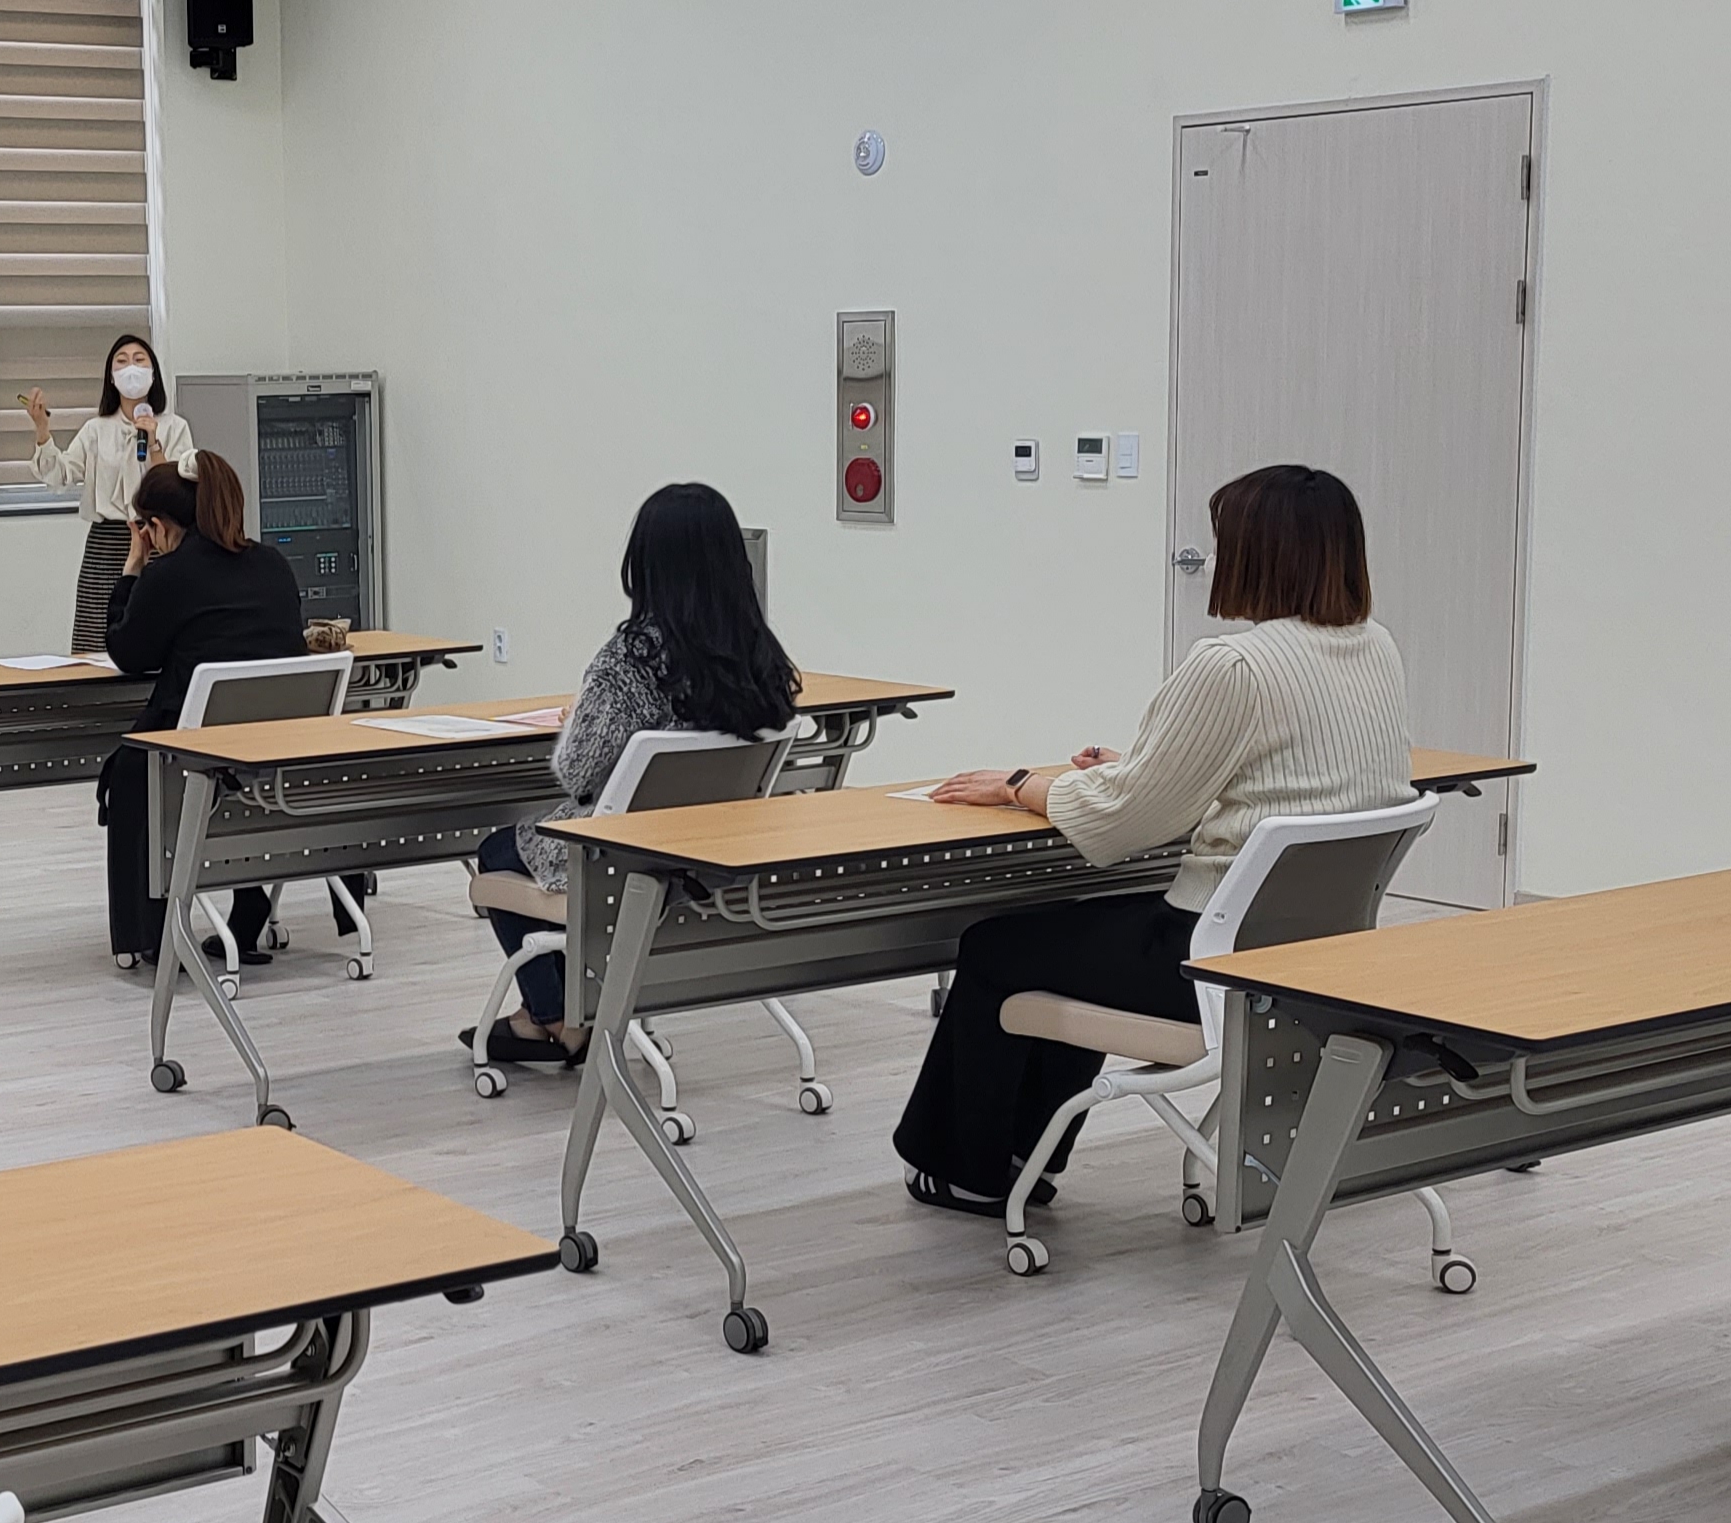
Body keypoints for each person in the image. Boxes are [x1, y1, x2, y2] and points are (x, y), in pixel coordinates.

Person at [892, 463, 1416, 1213]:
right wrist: (1148, 769)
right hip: (1314, 962)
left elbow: (1123, 823)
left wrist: (1017, 785)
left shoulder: (1233, 664)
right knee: (1073, 938)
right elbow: (1287, 780)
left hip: (1208, 962)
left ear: (1258, 553)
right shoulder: (1377, 649)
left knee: (994, 946)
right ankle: (1028, 1158)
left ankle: (968, 1171)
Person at [468, 481, 799, 1066]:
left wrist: (580, 721)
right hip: (711, 861)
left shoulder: (631, 658)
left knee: (498, 851)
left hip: (623, 856)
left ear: (644, 564)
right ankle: (552, 1014)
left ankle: (557, 1017)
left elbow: (578, 773)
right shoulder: (762, 656)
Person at [99, 453, 304, 965]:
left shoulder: (170, 575)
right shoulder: (273, 565)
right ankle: (248, 911)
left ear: (159, 526)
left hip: (193, 752)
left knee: (132, 772)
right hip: (273, 753)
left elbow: (128, 651)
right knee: (214, 777)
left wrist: (132, 569)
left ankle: (147, 936)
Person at [25, 335, 197, 654]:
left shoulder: (175, 427)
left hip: (160, 538)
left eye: (139, 360)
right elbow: (59, 475)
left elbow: (177, 488)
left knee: (159, 632)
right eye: (122, 361)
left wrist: (153, 442)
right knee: (98, 636)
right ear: (112, 377)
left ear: (153, 374)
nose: (131, 367)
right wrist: (42, 431)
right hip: (106, 544)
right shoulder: (96, 430)